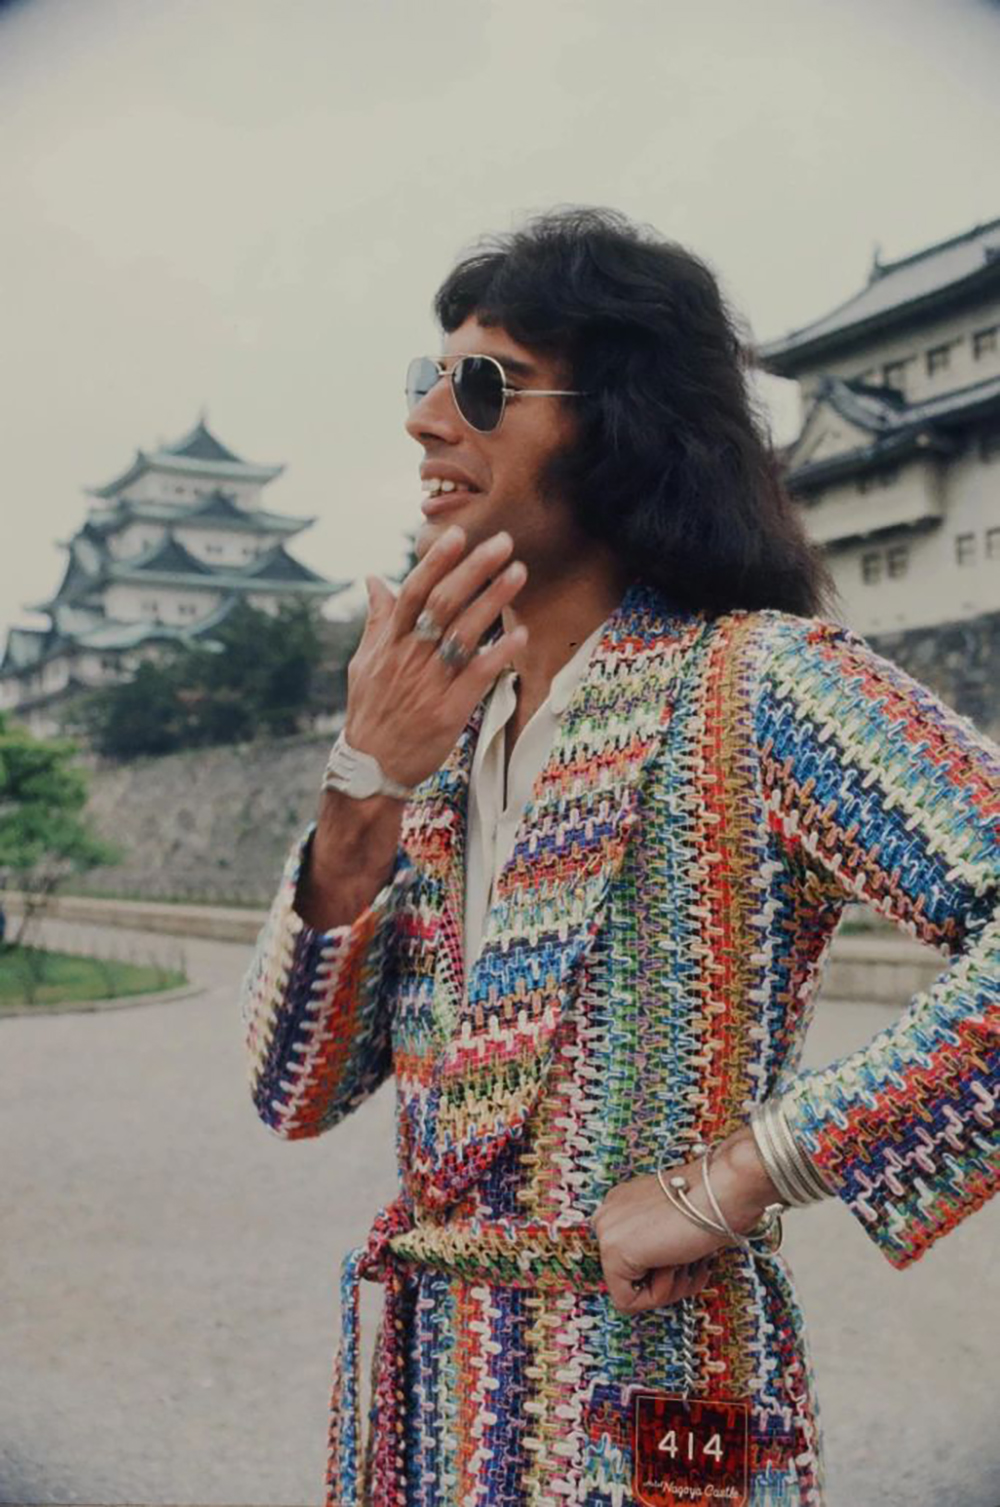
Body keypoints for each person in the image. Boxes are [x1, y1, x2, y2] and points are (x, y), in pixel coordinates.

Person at [240, 207, 1000, 1507]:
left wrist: (741, 1175)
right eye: (425, 383)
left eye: (483, 384)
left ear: (621, 420)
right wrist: (363, 785)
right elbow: (293, 1093)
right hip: (427, 1403)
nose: (430, 421)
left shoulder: (762, 689)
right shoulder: (438, 737)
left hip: (656, 1385)